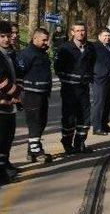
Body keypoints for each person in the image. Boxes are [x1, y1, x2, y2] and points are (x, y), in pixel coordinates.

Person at [55, 21, 96, 154]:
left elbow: (92, 64)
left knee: (85, 117)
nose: (80, 33)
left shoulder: (90, 47)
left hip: (84, 89)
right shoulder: (65, 48)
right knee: (69, 118)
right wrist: (70, 79)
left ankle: (80, 143)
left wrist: (88, 76)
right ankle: (67, 144)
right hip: (69, 90)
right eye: (77, 30)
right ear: (72, 32)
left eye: (82, 30)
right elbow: (58, 68)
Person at [17, 28, 53, 163]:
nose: (45, 42)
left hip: (42, 93)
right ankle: (37, 151)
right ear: (35, 39)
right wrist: (19, 94)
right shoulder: (27, 54)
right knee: (35, 123)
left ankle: (31, 149)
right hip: (31, 94)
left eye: (47, 40)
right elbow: (20, 73)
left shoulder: (41, 53)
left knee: (41, 122)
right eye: (43, 40)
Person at [0, 21, 22, 184]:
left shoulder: (9, 53)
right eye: (2, 36)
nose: (6, 39)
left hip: (9, 103)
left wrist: (17, 94)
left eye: (8, 36)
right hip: (2, 102)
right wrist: (13, 94)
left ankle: (5, 165)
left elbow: (18, 74)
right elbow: (1, 80)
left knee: (8, 137)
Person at [91, 29, 110, 135]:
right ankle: (97, 127)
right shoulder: (95, 47)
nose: (107, 38)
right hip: (99, 78)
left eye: (109, 36)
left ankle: (104, 124)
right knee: (99, 102)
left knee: (107, 102)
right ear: (99, 36)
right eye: (105, 36)